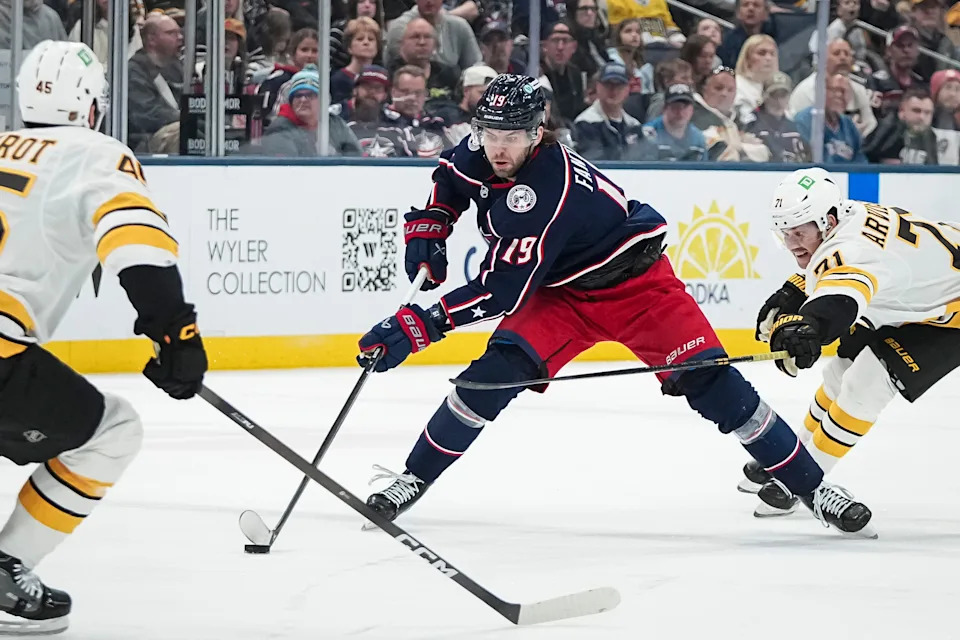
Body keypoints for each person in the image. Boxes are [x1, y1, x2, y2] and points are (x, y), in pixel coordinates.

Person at [356, 74, 876, 539]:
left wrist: (422, 324)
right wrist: (432, 224)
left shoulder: (546, 189)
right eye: (489, 133)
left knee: (717, 389)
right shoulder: (483, 148)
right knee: (487, 379)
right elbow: (450, 178)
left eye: (512, 136)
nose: (498, 147)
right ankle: (413, 477)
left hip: (638, 288)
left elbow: (502, 291)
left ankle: (814, 489)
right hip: (562, 295)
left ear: (538, 131)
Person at [0, 41, 207, 632]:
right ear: (91, 105)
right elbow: (136, 241)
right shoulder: (94, 153)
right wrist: (176, 334)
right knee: (113, 431)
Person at [743, 166, 960, 516]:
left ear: (827, 221)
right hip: (912, 297)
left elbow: (840, 299)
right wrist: (794, 291)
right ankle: (796, 454)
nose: (792, 242)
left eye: (799, 232)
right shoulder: (848, 212)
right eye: (785, 232)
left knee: (867, 383)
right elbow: (839, 267)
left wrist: (810, 327)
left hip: (949, 314)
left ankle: (801, 480)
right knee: (840, 370)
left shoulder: (849, 251)